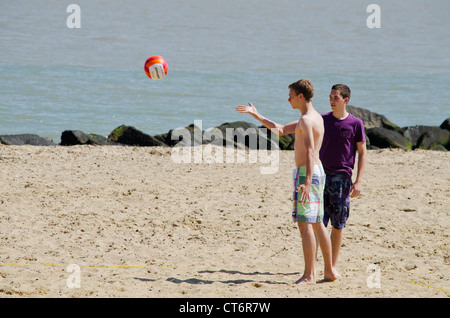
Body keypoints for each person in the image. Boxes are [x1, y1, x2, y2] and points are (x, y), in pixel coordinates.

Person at [236, 79, 338, 284]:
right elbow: (281, 129)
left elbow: (309, 151)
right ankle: (330, 271)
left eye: (291, 94)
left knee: (305, 225)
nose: (288, 98)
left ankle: (309, 275)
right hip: (317, 171)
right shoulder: (314, 117)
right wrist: (256, 114)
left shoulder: (307, 120)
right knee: (318, 223)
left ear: (301, 96)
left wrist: (307, 182)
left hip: (307, 173)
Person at [320, 84, 367, 275]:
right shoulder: (322, 120)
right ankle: (313, 266)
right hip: (320, 176)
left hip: (342, 179)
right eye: (330, 97)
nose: (331, 100)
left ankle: (331, 265)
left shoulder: (355, 124)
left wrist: (359, 181)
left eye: (335, 98)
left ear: (345, 100)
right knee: (318, 224)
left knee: (337, 225)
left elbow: (362, 153)